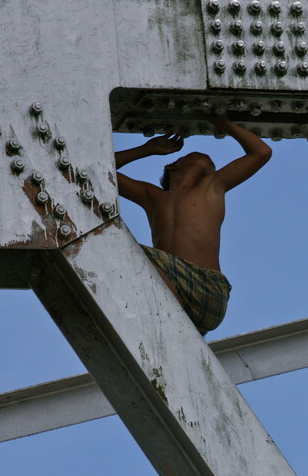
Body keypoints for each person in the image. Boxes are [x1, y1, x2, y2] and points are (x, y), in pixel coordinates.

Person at [114, 116, 272, 335]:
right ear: (171, 166)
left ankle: (159, 311)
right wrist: (146, 149)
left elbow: (261, 152)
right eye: (199, 157)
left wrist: (221, 122)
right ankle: (163, 320)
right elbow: (100, 169)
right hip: (173, 289)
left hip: (205, 286)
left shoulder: (211, 187)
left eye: (212, 165)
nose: (210, 161)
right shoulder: (152, 196)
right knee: (122, 249)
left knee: (130, 250)